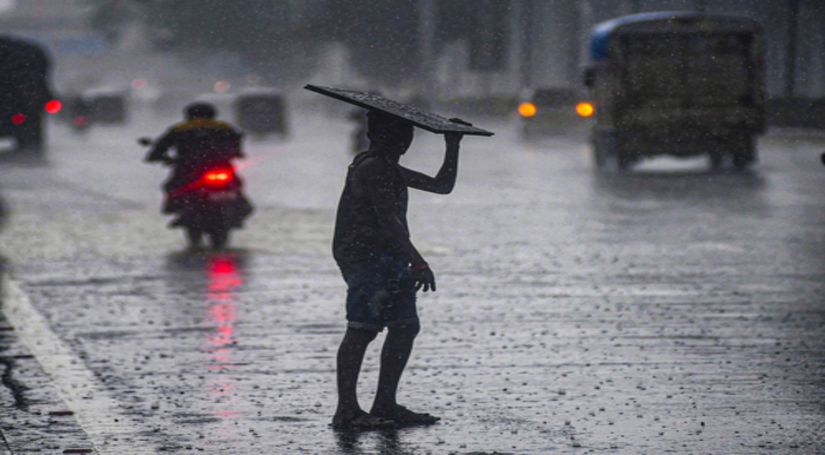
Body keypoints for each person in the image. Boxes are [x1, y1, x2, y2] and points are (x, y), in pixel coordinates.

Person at [331, 110, 463, 430]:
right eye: (397, 136)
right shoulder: (373, 167)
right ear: (376, 136)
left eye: (407, 137)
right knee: (362, 329)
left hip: (390, 256)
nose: (403, 143)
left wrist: (453, 144)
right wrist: (418, 261)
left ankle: (385, 403)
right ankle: (347, 410)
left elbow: (442, 185)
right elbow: (388, 221)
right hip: (367, 258)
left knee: (404, 327)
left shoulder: (389, 167)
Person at [144, 103, 244, 214]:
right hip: (219, 165)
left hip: (187, 166)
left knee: (173, 186)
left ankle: (175, 208)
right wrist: (235, 153)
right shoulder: (224, 127)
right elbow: (235, 143)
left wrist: (156, 156)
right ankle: (239, 208)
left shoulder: (179, 129)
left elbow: (162, 145)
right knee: (235, 184)